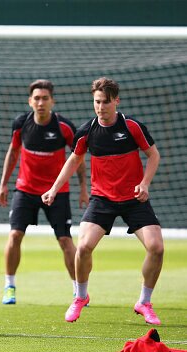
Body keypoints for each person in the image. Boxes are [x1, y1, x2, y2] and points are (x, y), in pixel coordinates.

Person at [42, 77, 164, 325]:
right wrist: (54, 189)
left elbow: (153, 155)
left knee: (157, 248)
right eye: (97, 102)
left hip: (133, 197)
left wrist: (145, 183)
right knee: (84, 247)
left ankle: (144, 301)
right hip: (102, 199)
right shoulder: (86, 131)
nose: (100, 107)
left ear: (116, 101)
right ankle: (80, 297)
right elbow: (74, 160)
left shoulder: (132, 127)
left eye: (105, 102)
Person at [0, 79, 89, 305]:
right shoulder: (21, 124)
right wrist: (3, 184)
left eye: (45, 98)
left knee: (66, 241)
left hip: (57, 192)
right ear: (30, 101)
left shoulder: (65, 127)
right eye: (36, 98)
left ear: (52, 101)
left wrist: (84, 188)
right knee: (15, 235)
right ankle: (9, 286)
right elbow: (13, 152)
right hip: (25, 189)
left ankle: (79, 292)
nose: (40, 102)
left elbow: (78, 158)